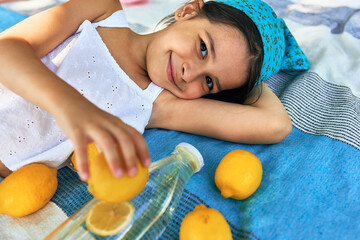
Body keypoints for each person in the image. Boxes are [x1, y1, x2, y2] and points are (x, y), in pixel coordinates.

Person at [0, 0, 309, 180]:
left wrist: (257, 65)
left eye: (210, 83)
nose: (191, 73)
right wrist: (72, 107)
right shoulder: (101, 11)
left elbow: (276, 125)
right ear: (188, 10)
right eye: (203, 48)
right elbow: (7, 50)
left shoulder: (158, 104)